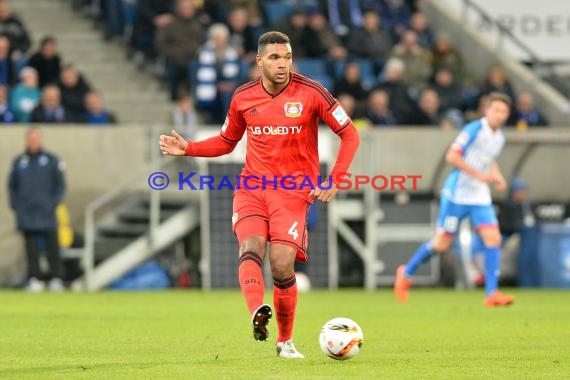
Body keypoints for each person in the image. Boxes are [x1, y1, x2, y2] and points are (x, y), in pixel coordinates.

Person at [159, 31, 360, 358]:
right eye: (275, 58)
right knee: (251, 246)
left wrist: (335, 179)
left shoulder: (312, 93)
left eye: (288, 57)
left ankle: (285, 342)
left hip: (293, 192)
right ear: (259, 61)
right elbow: (226, 141)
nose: (283, 65)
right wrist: (189, 149)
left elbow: (350, 134)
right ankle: (257, 311)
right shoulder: (243, 97)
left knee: (282, 264)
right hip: (252, 188)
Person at [394, 92, 515, 307]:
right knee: (441, 244)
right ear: (487, 110)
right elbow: (452, 156)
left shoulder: (499, 138)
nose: (500, 115)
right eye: (496, 110)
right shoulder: (474, 130)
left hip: (479, 195)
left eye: (504, 112)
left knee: (493, 238)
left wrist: (497, 176)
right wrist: (480, 175)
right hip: (457, 194)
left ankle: (491, 293)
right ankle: (406, 273)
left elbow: (488, 160)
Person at [8, 128, 66, 292]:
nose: (33, 142)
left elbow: (60, 185)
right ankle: (35, 278)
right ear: (26, 140)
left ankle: (56, 278)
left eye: (36, 139)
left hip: (47, 212)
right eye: (30, 139)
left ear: (41, 140)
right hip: (27, 213)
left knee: (52, 247)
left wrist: (53, 203)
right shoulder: (19, 161)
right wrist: (16, 206)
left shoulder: (51, 160)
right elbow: (12, 186)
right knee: (31, 249)